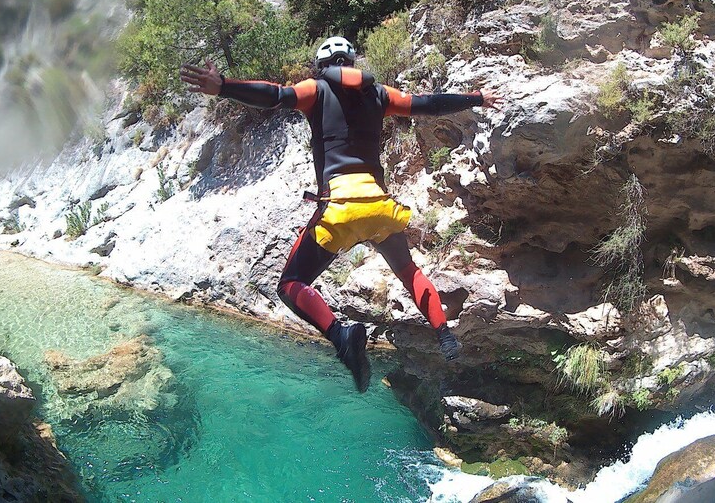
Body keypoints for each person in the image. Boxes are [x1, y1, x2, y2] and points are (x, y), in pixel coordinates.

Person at [180, 36, 503, 392]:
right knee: (409, 271)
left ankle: (342, 336)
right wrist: (477, 98)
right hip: (380, 207)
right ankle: (444, 336)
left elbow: (273, 96)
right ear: (351, 60)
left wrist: (224, 86)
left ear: (322, 66)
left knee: (290, 285)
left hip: (338, 209)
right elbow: (428, 104)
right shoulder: (379, 94)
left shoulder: (315, 90)